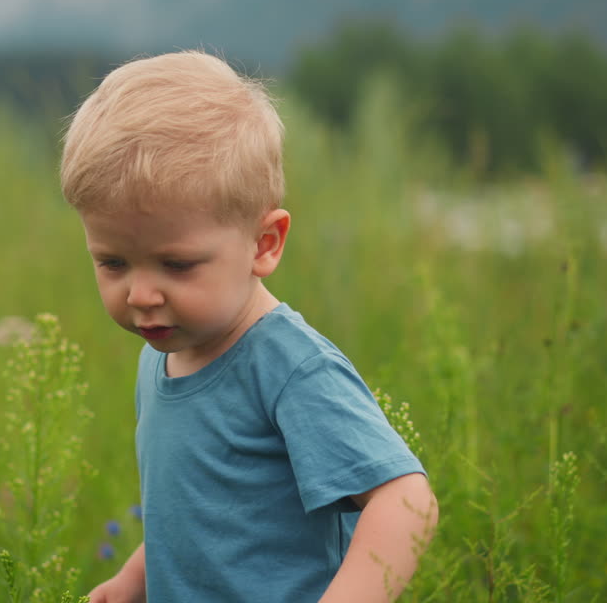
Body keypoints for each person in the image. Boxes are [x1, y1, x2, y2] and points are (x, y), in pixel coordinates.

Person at [59, 51, 438, 602]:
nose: (140, 295)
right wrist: (134, 581)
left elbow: (406, 500)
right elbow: (198, 517)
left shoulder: (289, 367)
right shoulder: (161, 355)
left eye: (177, 265)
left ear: (265, 244)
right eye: (113, 262)